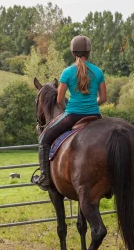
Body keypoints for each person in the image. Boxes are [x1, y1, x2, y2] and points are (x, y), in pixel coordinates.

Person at [35, 35, 107, 190]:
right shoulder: (98, 71)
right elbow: (104, 98)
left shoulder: (67, 73)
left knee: (45, 140)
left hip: (72, 115)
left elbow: (60, 99)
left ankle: (45, 178)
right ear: (89, 52)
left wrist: (68, 109)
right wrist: (92, 104)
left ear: (73, 52)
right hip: (95, 115)